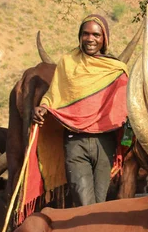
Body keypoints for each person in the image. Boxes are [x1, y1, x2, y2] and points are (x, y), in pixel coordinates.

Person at [31, 14, 129, 207]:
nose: (90, 39)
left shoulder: (116, 69)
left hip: (105, 143)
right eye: (85, 34)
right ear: (80, 36)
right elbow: (54, 95)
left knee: (99, 204)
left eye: (96, 35)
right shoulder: (67, 63)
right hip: (75, 142)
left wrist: (125, 145)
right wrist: (42, 108)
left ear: (104, 39)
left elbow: (125, 111)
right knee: (84, 204)